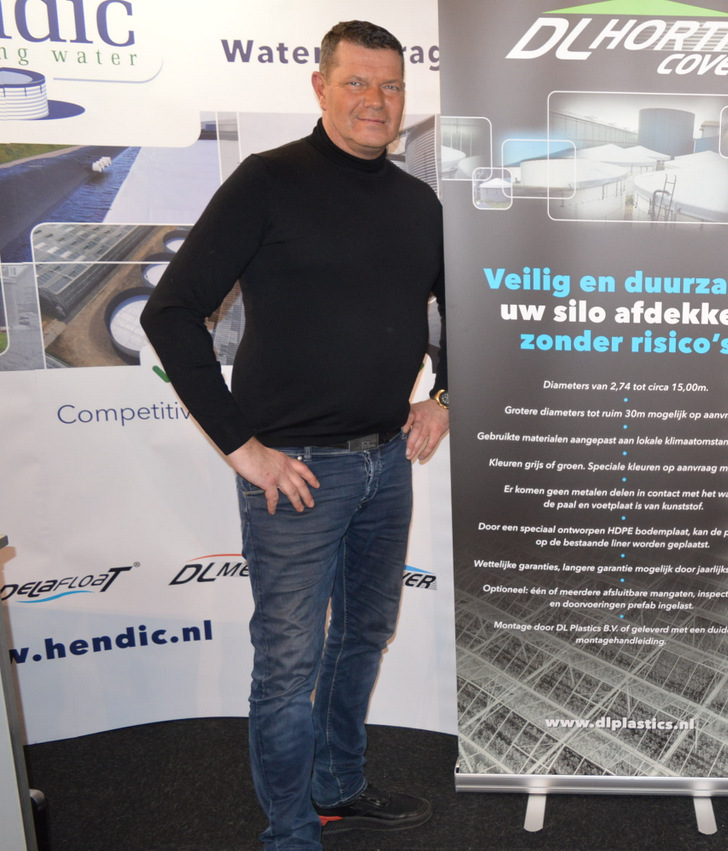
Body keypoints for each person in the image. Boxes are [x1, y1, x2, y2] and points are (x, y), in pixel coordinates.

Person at [140, 20, 447, 851]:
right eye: (357, 82)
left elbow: (459, 309)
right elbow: (170, 313)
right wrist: (242, 447)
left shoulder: (418, 202)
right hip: (295, 474)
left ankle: (338, 785)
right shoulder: (268, 181)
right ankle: (289, 833)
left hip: (387, 461)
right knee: (287, 667)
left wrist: (443, 394)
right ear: (320, 87)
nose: (376, 100)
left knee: (363, 636)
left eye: (391, 85)